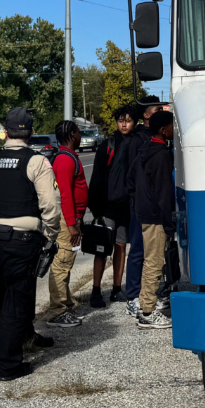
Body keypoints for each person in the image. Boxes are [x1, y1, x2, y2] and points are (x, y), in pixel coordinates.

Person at [0, 107, 62, 381]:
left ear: (5, 132)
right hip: (21, 241)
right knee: (15, 303)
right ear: (30, 133)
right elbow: (50, 207)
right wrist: (50, 236)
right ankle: (9, 365)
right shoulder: (37, 162)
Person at [85, 106, 137, 307]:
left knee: (121, 246)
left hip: (126, 206)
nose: (124, 124)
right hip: (106, 206)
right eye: (121, 120)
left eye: (128, 120)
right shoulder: (106, 146)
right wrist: (95, 208)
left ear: (134, 122)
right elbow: (97, 178)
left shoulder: (135, 144)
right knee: (102, 248)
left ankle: (117, 288)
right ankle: (96, 290)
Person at [133, 109, 175, 330]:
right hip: (155, 216)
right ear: (162, 129)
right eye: (171, 126)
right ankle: (147, 311)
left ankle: (146, 304)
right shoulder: (161, 155)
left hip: (144, 212)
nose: (173, 130)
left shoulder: (145, 150)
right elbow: (164, 193)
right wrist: (169, 225)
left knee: (151, 259)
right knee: (154, 261)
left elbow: (132, 180)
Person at [44, 120, 86, 327]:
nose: (80, 136)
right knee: (61, 263)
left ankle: (66, 301)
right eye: (78, 133)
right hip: (66, 220)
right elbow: (65, 195)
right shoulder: (65, 160)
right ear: (71, 134)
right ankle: (57, 310)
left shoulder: (69, 157)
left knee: (67, 261)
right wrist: (71, 224)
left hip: (72, 218)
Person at [124, 101, 161, 317]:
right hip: (140, 204)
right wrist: (138, 198)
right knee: (138, 249)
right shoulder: (137, 140)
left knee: (152, 251)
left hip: (150, 204)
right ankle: (132, 295)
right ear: (146, 114)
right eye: (157, 109)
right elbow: (132, 175)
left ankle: (152, 292)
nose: (161, 112)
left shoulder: (153, 137)